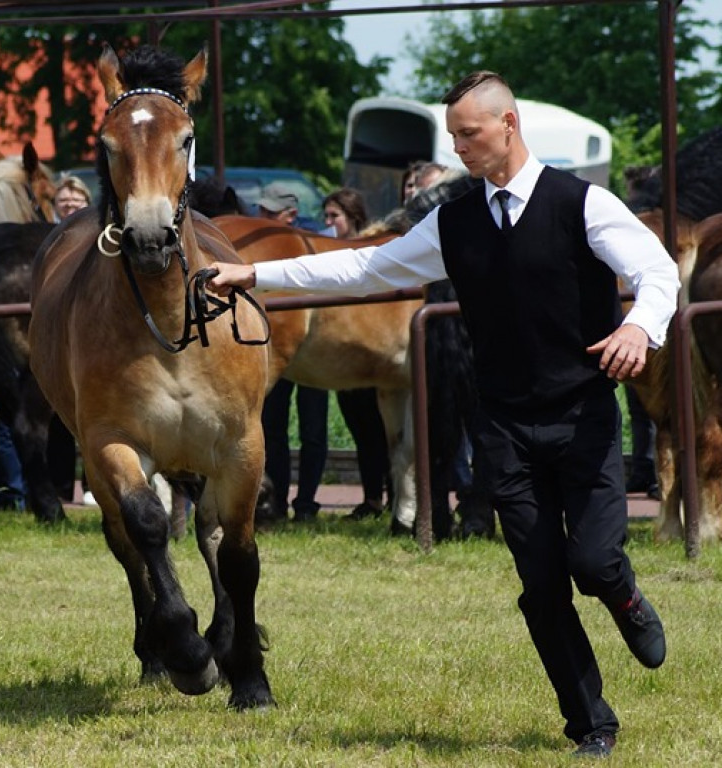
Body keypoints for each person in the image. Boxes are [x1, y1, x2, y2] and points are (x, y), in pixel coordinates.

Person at [208, 70, 678, 758]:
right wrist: (258, 274)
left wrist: (640, 326)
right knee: (541, 587)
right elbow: (366, 269)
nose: (458, 147)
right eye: (453, 136)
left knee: (595, 561)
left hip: (583, 417)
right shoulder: (453, 221)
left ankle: (625, 596)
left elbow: (657, 272)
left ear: (509, 124)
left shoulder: (582, 203)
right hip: (505, 428)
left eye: (468, 133)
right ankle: (592, 724)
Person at [257, 183, 329, 523]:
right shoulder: (262, 246)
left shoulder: (311, 245)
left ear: (291, 215)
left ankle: (306, 503)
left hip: (312, 348)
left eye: (271, 212)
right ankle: (278, 501)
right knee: (273, 428)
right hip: (278, 344)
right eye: (262, 210)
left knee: (313, 430)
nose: (263, 217)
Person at [321, 188, 392, 522]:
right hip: (345, 355)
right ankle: (372, 498)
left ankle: (393, 496)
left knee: (383, 430)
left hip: (374, 356)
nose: (328, 223)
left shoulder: (371, 250)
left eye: (334, 216)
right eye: (326, 216)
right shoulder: (328, 253)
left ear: (353, 217)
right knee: (362, 434)